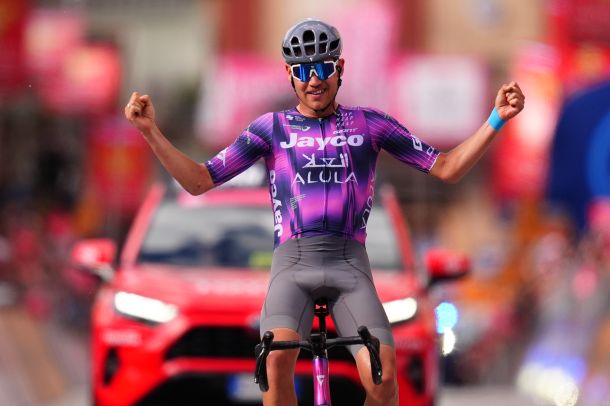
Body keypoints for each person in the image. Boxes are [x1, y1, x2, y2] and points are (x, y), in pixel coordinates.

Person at [124, 17, 525, 406]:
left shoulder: (370, 124)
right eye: (303, 70)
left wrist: (496, 119)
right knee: (276, 364)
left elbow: (447, 168)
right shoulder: (271, 128)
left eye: (323, 67)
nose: (314, 79)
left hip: (349, 267)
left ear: (340, 68)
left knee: (384, 376)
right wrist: (150, 132)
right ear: (289, 74)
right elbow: (199, 181)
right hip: (292, 267)